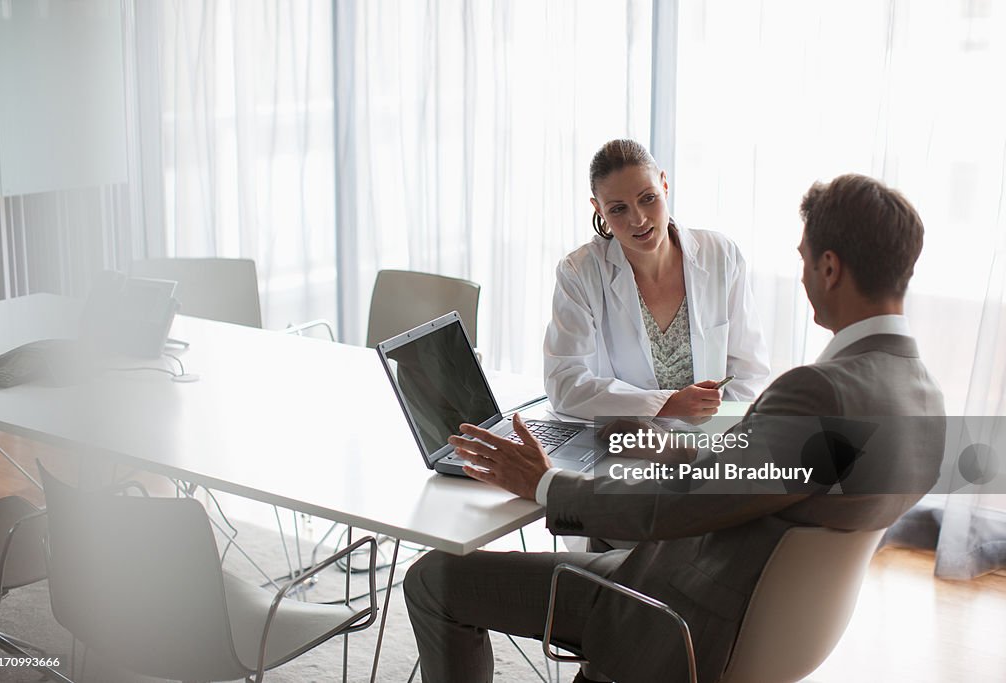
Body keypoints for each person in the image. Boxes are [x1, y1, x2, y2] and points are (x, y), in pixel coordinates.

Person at [403, 174, 947, 683]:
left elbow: (678, 507)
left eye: (804, 259)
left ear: (829, 268)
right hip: (755, 618)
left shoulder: (819, 392)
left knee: (433, 579)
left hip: (679, 616)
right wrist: (659, 445)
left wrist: (544, 484)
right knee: (596, 537)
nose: (803, 275)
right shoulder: (924, 400)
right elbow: (754, 479)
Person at [544, 139, 770, 421]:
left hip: (712, 443)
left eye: (647, 198)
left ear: (664, 184)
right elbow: (565, 385)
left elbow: (750, 372)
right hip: (623, 446)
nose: (638, 219)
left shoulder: (720, 254)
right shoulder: (579, 272)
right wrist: (666, 405)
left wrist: (713, 440)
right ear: (599, 209)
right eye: (618, 209)